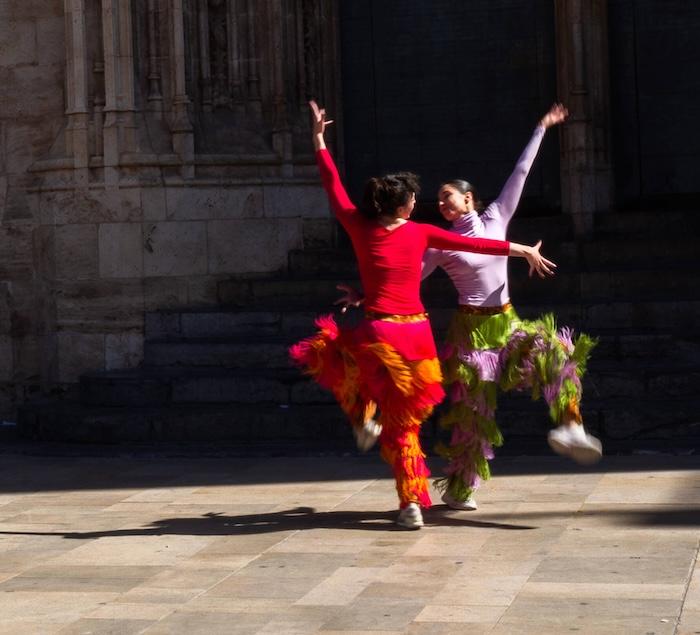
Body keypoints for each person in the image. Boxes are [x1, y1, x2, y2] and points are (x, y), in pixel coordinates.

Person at [290, 101, 556, 529]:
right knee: (407, 419)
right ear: (405, 205)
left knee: (343, 363)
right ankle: (399, 476)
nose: (422, 201)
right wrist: (521, 248)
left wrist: (319, 139)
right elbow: (482, 248)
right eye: (416, 197)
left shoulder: (359, 225)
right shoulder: (424, 232)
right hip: (418, 339)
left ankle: (389, 463)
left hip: (380, 332)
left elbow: (332, 185)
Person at [419, 103, 601, 511]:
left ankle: (571, 427)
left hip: (507, 324)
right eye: (439, 202)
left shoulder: (497, 215)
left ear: (468, 198)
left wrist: (541, 127)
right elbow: (412, 276)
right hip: (470, 334)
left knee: (558, 351)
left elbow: (521, 172)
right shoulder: (440, 242)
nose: (444, 206)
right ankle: (459, 489)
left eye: (449, 199)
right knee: (474, 414)